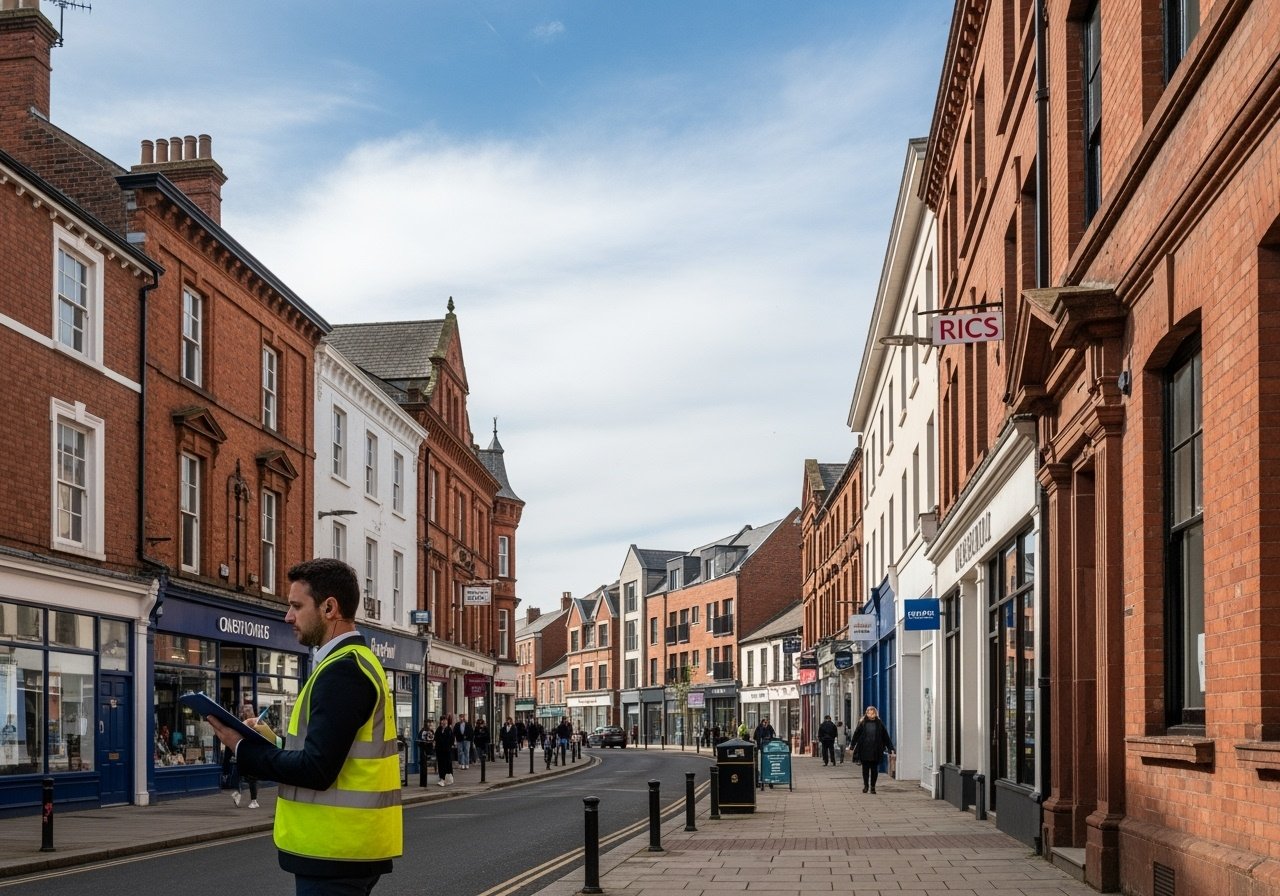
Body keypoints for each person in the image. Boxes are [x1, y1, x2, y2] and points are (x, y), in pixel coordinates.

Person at [206, 558, 402, 896]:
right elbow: (326, 754)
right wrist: (271, 741)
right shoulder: (352, 664)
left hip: (335, 851)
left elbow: (317, 770)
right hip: (345, 848)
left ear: (329, 608)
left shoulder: (343, 671)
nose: (288, 616)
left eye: (296, 605)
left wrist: (243, 748)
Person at [222, 707, 264, 807]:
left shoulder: (254, 726)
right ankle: (242, 795)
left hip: (250, 756)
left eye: (244, 712)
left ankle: (253, 800)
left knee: (250, 778)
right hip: (244, 755)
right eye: (242, 712)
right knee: (243, 777)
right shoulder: (245, 725)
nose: (242, 714)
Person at [851, 705, 895, 794]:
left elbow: (885, 736)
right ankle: (866, 786)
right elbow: (856, 734)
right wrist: (852, 745)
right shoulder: (862, 723)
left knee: (874, 769)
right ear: (866, 713)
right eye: (869, 713)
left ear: (875, 713)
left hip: (876, 749)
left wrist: (891, 748)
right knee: (865, 769)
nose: (871, 714)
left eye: (873, 713)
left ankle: (873, 787)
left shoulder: (879, 723)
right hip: (864, 749)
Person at [434, 714, 455, 786]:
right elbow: (436, 738)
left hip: (447, 750)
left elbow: (451, 740)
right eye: (442, 720)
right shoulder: (438, 729)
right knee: (440, 764)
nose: (443, 722)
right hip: (439, 750)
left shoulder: (449, 730)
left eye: (445, 720)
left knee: (447, 764)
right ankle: (442, 778)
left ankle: (448, 778)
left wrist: (449, 747)